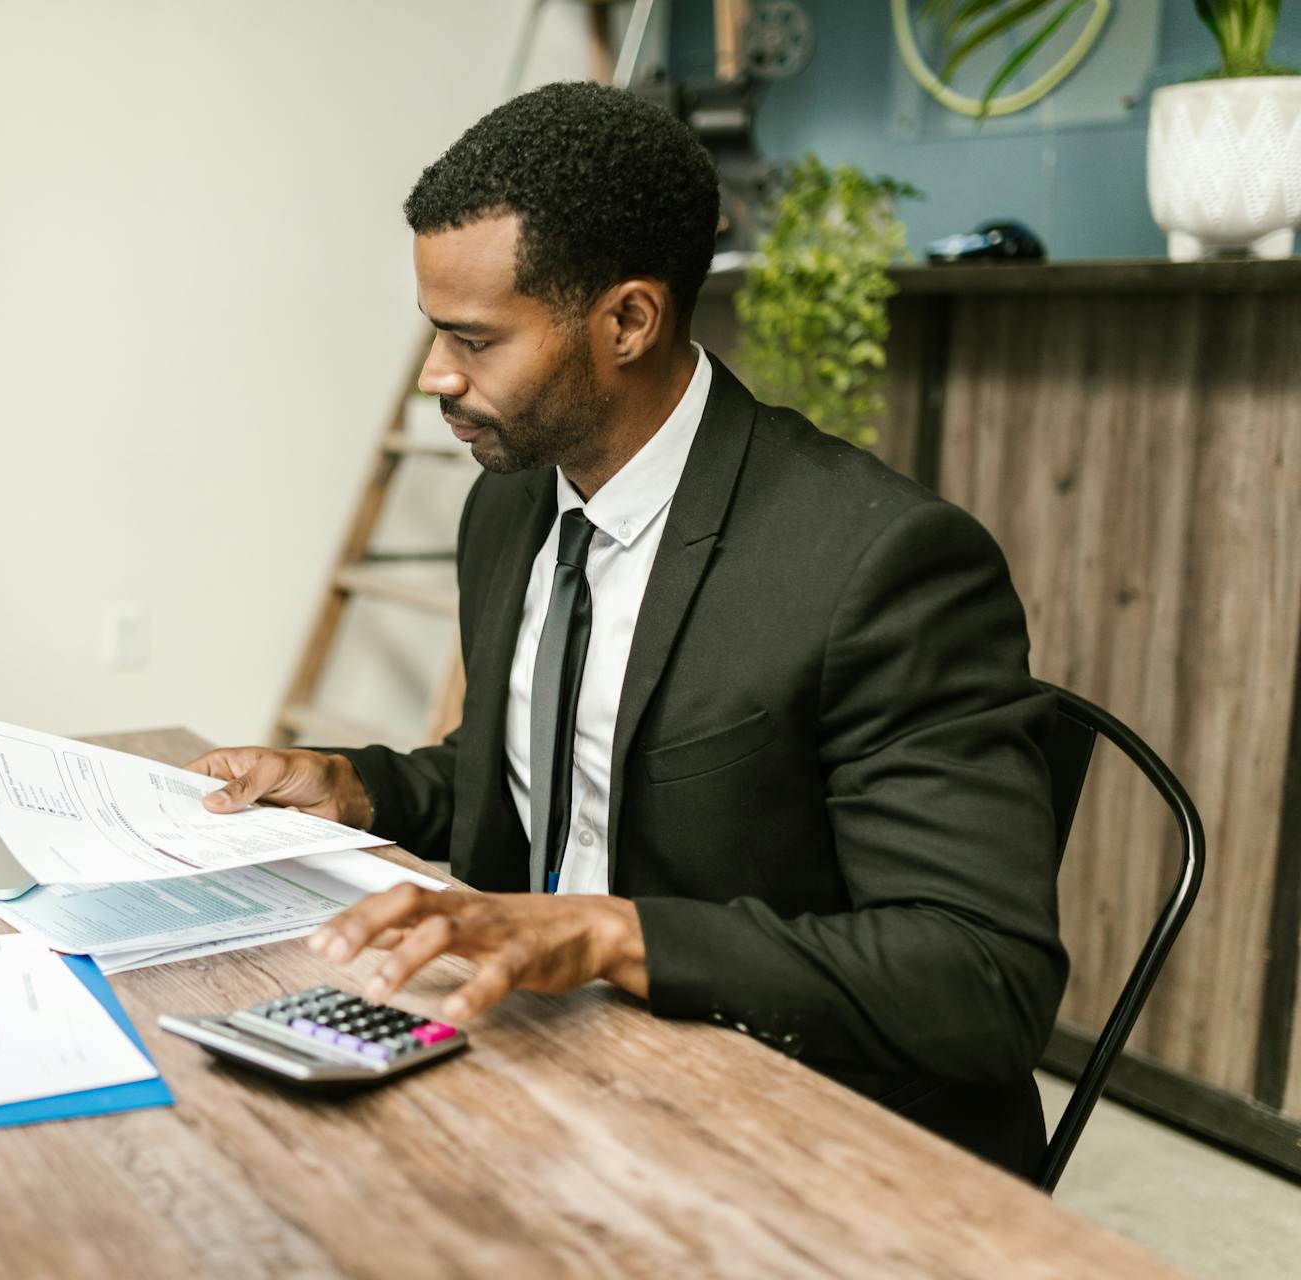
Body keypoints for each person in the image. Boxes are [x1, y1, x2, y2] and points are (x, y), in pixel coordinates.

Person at [186, 81, 1066, 1178]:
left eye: (474, 339)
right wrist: (352, 786)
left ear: (630, 321)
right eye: (433, 332)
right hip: (554, 1061)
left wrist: (609, 930)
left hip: (801, 1121)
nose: (436, 378)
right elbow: (536, 772)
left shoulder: (878, 564)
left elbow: (982, 978)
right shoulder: (511, 501)